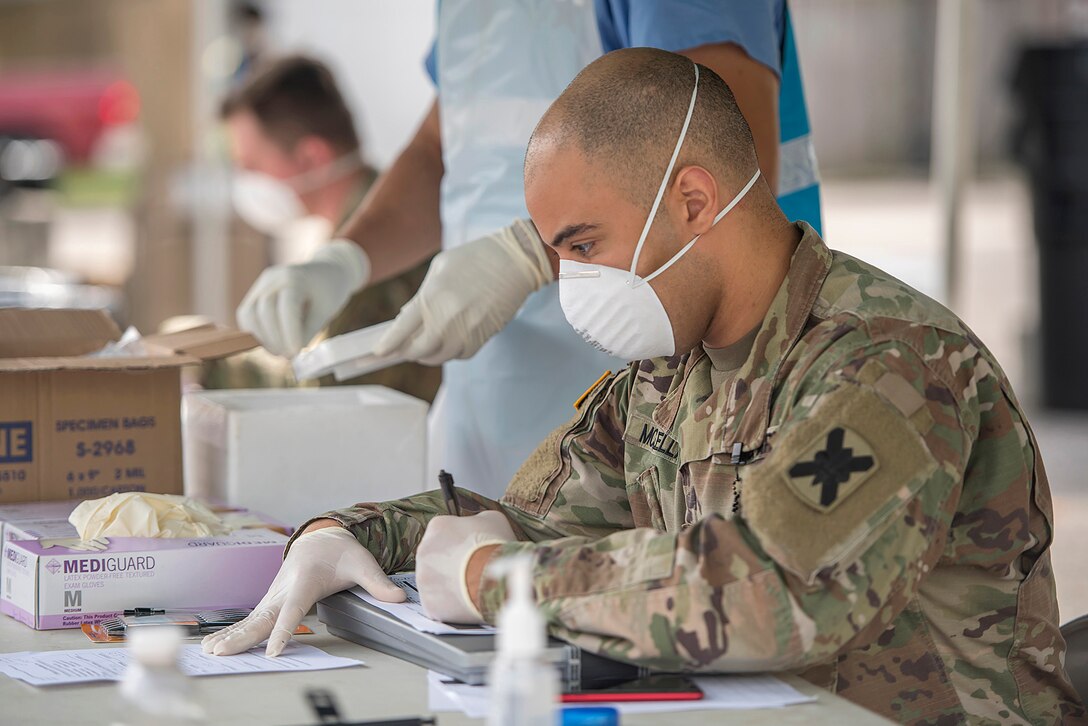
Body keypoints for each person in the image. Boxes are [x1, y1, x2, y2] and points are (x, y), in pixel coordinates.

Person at [204, 50, 1086, 724]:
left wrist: (489, 579)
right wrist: (350, 535)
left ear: (694, 201)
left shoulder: (893, 364)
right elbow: (541, 522)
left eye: (583, 245)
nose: (569, 279)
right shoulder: (671, 367)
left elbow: (771, 593)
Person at [235, 1, 822, 498]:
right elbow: (444, 145)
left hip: (650, 388)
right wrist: (343, 259)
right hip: (492, 397)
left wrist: (524, 253)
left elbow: (716, 156)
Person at [217, 54, 440, 400]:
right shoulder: (360, 224)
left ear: (311, 158)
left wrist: (217, 366)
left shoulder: (377, 249)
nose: (245, 183)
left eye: (251, 166)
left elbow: (335, 392)